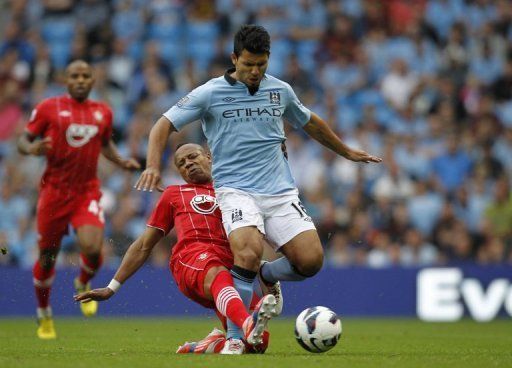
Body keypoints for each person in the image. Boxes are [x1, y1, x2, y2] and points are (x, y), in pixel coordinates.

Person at [134, 25, 382, 341]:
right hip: (235, 190)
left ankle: (266, 275)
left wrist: (345, 151)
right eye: (248, 64)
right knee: (247, 253)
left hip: (279, 191)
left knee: (310, 261)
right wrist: (153, 166)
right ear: (234, 58)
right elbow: (162, 125)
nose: (254, 71)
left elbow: (310, 122)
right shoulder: (209, 93)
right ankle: (236, 338)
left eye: (261, 64)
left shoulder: (280, 91)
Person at [74, 144, 279, 355]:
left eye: (192, 157)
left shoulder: (232, 191)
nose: (188, 163)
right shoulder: (174, 194)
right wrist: (112, 287)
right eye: (181, 163)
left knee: (257, 345)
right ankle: (246, 323)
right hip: (192, 258)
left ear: (208, 157)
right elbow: (144, 245)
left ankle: (210, 344)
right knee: (221, 277)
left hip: (229, 265)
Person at [17, 60, 140, 339]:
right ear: (66, 80)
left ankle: (82, 281)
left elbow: (105, 143)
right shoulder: (49, 108)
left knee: (93, 248)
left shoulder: (102, 112)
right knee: (47, 258)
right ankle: (44, 314)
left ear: (93, 80)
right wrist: (33, 147)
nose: (81, 80)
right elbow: (23, 141)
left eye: (86, 76)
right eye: (75, 76)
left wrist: (121, 161)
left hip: (86, 192)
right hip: (53, 194)